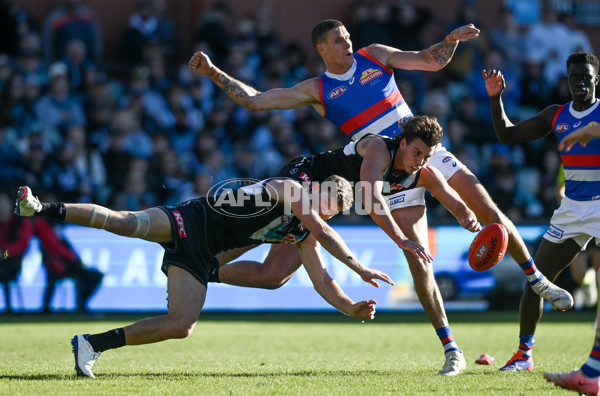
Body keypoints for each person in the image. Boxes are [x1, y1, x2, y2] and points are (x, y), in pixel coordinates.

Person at [189, 19, 572, 375]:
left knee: (484, 205)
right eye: (338, 40)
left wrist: (450, 42)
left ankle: (536, 279)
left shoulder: (374, 55)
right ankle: (452, 350)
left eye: (347, 37)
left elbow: (428, 61)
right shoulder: (317, 90)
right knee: (406, 261)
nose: (347, 42)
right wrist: (211, 73)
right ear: (322, 49)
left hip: (420, 147)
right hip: (382, 169)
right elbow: (255, 100)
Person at [14, 172, 391, 378]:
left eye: (333, 213)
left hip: (201, 255)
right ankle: (40, 206)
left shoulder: (306, 231)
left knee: (181, 325)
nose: (327, 215)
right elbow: (323, 233)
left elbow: (323, 280)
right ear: (320, 190)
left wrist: (350, 308)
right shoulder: (291, 188)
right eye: (330, 205)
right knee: (124, 222)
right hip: (189, 220)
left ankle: (91, 345)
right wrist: (360, 266)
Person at [482, 50, 600, 373]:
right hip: (572, 209)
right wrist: (496, 98)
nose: (580, 83)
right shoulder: (556, 115)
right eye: (574, 78)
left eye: (585, 78)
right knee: (536, 281)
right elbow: (507, 134)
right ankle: (524, 355)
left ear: (596, 80)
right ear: (567, 80)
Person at [542, 123, 600, 394]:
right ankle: (590, 373)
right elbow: (560, 189)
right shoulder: (569, 163)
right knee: (579, 273)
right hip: (577, 216)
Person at [0, 189, 33, 313]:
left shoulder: (20, 221)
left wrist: (5, 253)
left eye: (2, 204)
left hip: (12, 262)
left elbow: (22, 245)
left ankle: (9, 309)